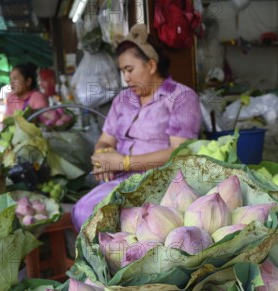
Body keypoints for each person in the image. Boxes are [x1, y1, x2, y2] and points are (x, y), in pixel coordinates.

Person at [72, 24, 202, 231]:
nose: (126, 78)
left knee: (99, 217)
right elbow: (106, 140)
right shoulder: (123, 100)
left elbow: (180, 152)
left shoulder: (181, 97)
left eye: (130, 70)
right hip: (120, 181)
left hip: (161, 184)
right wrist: (102, 157)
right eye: (122, 71)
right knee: (83, 210)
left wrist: (124, 162)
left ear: (151, 65)